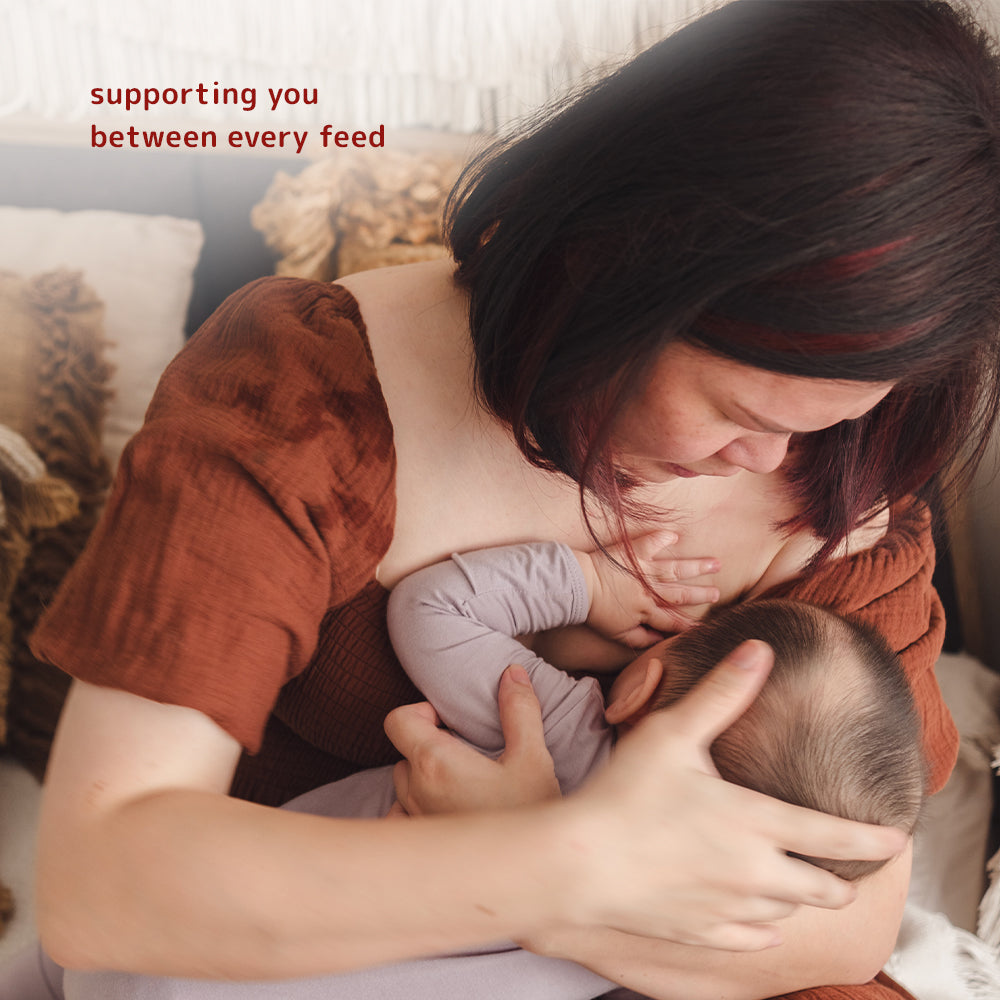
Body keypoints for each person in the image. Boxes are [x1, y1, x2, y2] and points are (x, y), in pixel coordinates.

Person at [6, 1, 1000, 999]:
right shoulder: (304, 398)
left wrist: (560, 892)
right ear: (613, 272)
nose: (765, 462)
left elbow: (849, 927)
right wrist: (559, 860)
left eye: (825, 423)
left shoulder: (845, 488)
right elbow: (105, 887)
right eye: (738, 409)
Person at [58, 540, 928, 1000]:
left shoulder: (554, 726)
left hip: (180, 940)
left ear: (640, 682)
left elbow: (432, 607)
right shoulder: (730, 920)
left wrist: (585, 583)